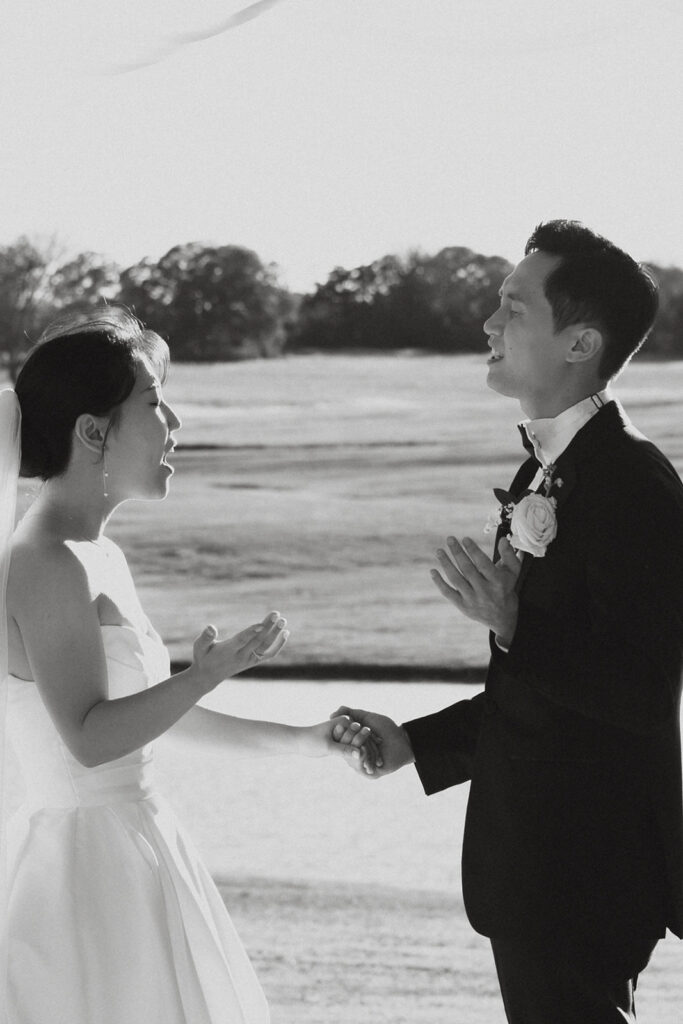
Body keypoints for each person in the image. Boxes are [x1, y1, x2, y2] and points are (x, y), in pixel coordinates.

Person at [333, 220, 683, 1023]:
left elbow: (638, 692)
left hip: (585, 869)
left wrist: (515, 624)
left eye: (511, 307)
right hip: (536, 867)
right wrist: (416, 742)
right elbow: (534, 692)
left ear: (579, 342)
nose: (488, 325)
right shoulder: (543, 471)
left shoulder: (633, 483)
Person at [0, 307, 374, 1024]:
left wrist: (303, 738)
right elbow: (88, 737)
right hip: (82, 877)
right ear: (92, 431)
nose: (175, 421)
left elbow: (148, 723)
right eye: (153, 402)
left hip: (138, 847)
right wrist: (204, 672)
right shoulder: (43, 562)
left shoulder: (95, 555)